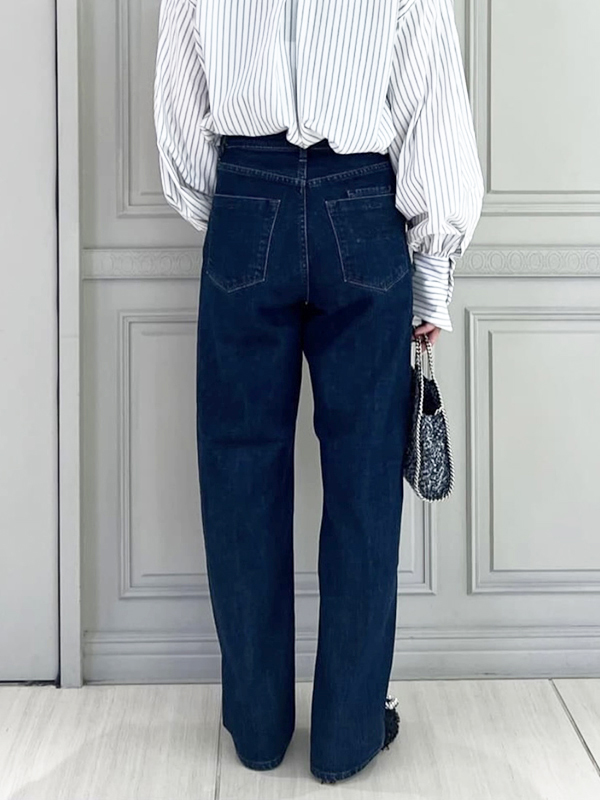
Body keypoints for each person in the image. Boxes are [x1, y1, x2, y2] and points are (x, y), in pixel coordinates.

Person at [154, 0, 484, 784]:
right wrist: (432, 276)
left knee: (239, 477)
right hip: (361, 203)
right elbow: (430, 101)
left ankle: (257, 728)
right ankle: (347, 737)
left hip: (247, 197)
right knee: (366, 486)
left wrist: (238, 208)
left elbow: (180, 103)